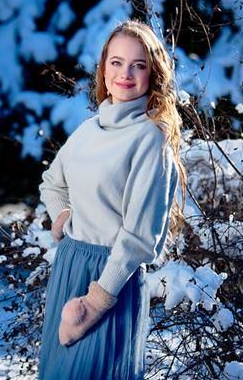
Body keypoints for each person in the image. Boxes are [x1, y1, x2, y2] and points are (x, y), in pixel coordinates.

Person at [38, 19, 187, 380]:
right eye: (117, 62)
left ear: (153, 74)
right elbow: (52, 183)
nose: (125, 74)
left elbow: (139, 238)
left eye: (138, 65)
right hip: (70, 266)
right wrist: (63, 216)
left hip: (111, 281)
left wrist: (95, 303)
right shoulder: (88, 130)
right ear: (104, 69)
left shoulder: (150, 139)